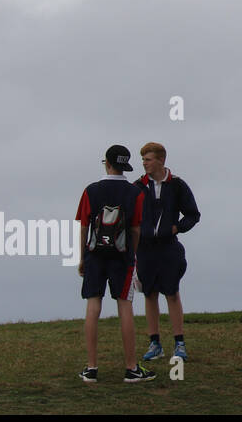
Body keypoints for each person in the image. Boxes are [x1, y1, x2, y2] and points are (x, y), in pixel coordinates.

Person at [76, 145, 154, 382]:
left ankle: (91, 368)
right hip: (123, 256)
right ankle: (131, 368)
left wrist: (82, 258)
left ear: (107, 163)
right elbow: (136, 229)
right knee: (125, 306)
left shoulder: (91, 191)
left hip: (95, 255)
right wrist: (133, 254)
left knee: (93, 305)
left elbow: (83, 227)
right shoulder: (135, 193)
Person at [134, 142, 200, 362]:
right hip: (144, 249)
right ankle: (155, 343)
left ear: (161, 160)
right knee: (149, 293)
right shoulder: (137, 187)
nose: (144, 163)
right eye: (143, 159)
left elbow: (193, 214)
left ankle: (179, 343)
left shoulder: (177, 185)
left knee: (172, 292)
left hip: (169, 247)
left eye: (148, 159)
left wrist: (177, 227)